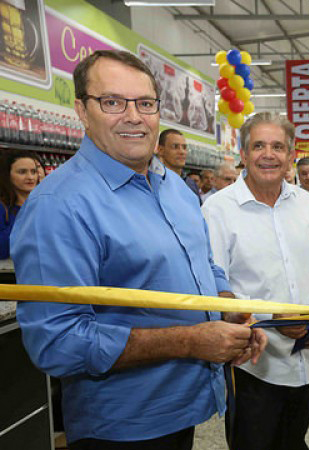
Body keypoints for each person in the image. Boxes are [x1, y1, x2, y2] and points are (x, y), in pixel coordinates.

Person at [12, 50, 267, 448]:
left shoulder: (175, 189)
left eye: (145, 103)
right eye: (112, 102)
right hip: (121, 427)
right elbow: (57, 342)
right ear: (82, 110)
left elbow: (205, 266)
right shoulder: (59, 206)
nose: (133, 116)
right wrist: (190, 341)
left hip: (186, 408)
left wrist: (230, 309)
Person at [202, 112, 309, 450]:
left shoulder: (308, 206)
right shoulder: (218, 209)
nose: (268, 154)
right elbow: (211, 287)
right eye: (258, 145)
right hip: (253, 364)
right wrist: (265, 321)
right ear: (244, 155)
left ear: (291, 156)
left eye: (278, 146)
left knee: (293, 441)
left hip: (306, 358)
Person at [0, 151, 38, 259]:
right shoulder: (3, 209)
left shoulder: (45, 204)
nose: (30, 177)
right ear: (7, 175)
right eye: (22, 172)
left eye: (33, 171)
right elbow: (2, 249)